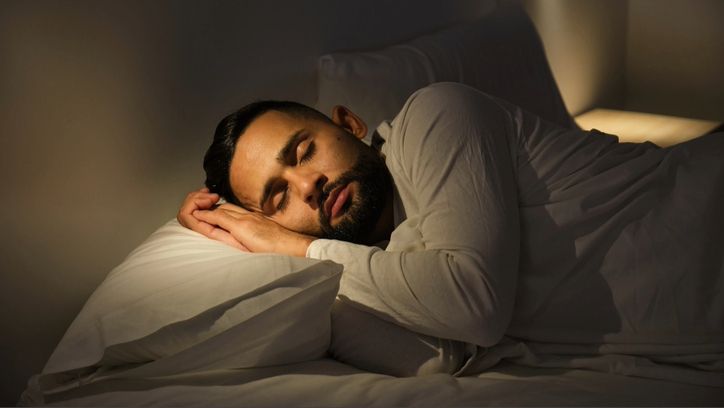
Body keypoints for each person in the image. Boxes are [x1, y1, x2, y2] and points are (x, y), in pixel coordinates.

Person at [178, 83, 724, 381]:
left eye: (305, 151)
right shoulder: (384, 268)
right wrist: (262, 251)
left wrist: (293, 244)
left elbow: (474, 304)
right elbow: (445, 358)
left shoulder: (435, 118)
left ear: (349, 124)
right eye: (278, 198)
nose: (309, 184)